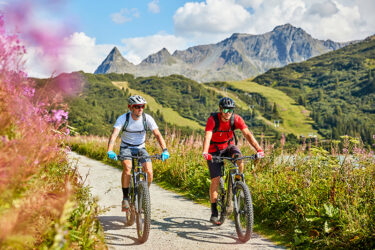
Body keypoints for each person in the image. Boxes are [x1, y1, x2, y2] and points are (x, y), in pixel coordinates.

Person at [202, 97, 264, 225]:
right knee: (215, 179)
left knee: (239, 157)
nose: (227, 112)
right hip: (214, 150)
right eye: (225, 109)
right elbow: (207, 136)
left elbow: (247, 134)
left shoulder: (236, 119)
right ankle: (214, 212)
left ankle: (238, 183)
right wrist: (205, 151)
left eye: (230, 109)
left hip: (229, 146)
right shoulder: (212, 120)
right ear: (220, 110)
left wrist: (258, 149)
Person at [107, 95, 170, 211]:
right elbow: (114, 134)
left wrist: (165, 150)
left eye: (142, 106)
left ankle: (143, 194)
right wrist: (110, 150)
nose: (140, 109)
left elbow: (157, 134)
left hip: (141, 148)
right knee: (127, 167)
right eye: (137, 106)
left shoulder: (147, 119)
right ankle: (125, 197)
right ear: (130, 107)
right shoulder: (123, 118)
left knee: (149, 171)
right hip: (126, 147)